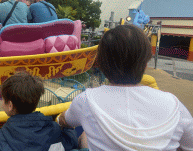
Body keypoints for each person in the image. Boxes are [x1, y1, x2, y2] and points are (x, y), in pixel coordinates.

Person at [57, 25, 193, 151]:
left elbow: (65, 121)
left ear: (102, 64)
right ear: (145, 64)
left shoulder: (86, 100)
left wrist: (59, 119)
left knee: (85, 133)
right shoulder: (174, 105)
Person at [0, 72, 78, 151]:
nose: (1, 103)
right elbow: (72, 142)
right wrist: (66, 127)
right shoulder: (55, 131)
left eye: (3, 99)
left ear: (10, 105)